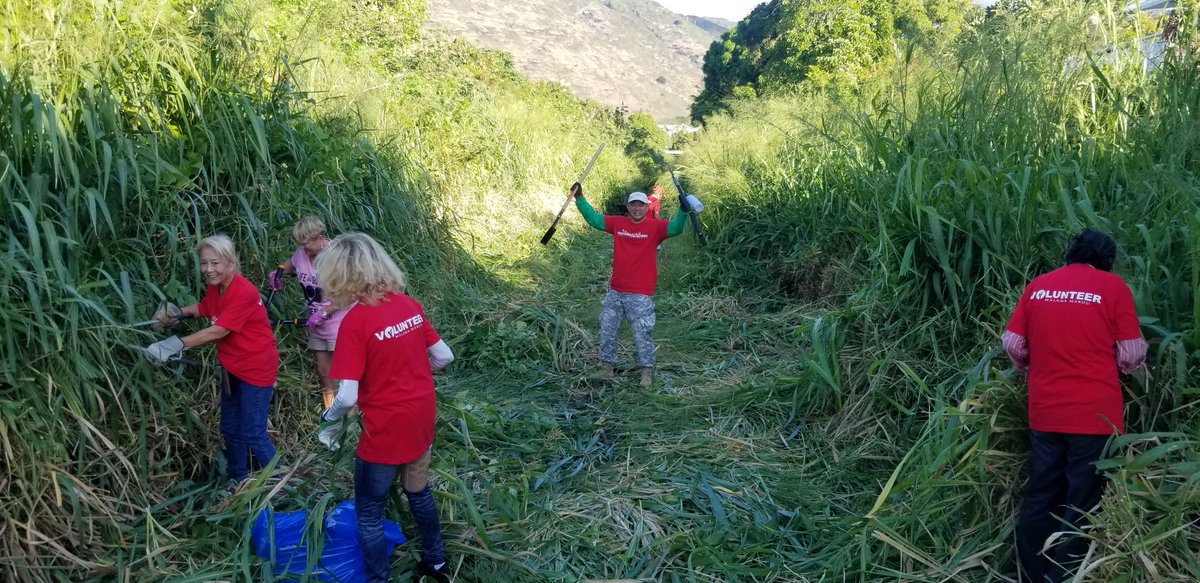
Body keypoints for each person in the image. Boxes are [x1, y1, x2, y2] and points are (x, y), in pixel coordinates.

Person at [1001, 228, 1147, 583]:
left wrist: (1027, 368)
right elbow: (1132, 352)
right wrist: (1124, 368)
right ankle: (1064, 575)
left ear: (1070, 253)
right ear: (1107, 260)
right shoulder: (1114, 288)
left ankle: (1031, 574)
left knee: (1042, 492)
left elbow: (1012, 343)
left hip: (1045, 412)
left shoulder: (1038, 286)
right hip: (1094, 415)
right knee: (1083, 499)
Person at [314, 233, 455, 583]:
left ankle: (379, 579)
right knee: (417, 489)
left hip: (386, 427)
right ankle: (436, 563)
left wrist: (328, 423)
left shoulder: (355, 322)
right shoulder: (408, 305)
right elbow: (444, 356)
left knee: (369, 513)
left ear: (340, 277)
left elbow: (346, 397)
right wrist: (412, 373)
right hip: (421, 416)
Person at [144, 235, 280, 487]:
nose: (208, 269)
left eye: (215, 263)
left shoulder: (244, 292)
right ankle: (239, 481)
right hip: (232, 367)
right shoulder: (217, 287)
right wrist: (177, 313)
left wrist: (174, 344)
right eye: (204, 263)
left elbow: (219, 330)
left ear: (231, 262)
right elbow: (206, 308)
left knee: (253, 432)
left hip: (256, 367)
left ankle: (286, 484)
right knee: (230, 428)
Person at [573, 183, 692, 387]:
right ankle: (606, 368)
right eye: (633, 205)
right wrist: (580, 198)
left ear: (647, 207)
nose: (637, 208)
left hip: (640, 293)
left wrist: (683, 211)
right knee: (607, 328)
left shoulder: (656, 227)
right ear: (628, 207)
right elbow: (593, 219)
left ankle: (646, 372)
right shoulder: (618, 224)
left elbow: (676, 229)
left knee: (642, 332)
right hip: (616, 290)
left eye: (641, 205)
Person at [267, 216, 348, 409]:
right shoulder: (302, 253)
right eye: (300, 245)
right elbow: (290, 263)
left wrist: (325, 312)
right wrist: (277, 273)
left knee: (344, 373)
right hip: (316, 324)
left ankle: (352, 419)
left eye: (306, 245)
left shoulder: (336, 257)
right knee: (323, 371)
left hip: (340, 324)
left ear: (320, 238)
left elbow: (350, 293)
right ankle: (330, 415)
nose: (303, 249)